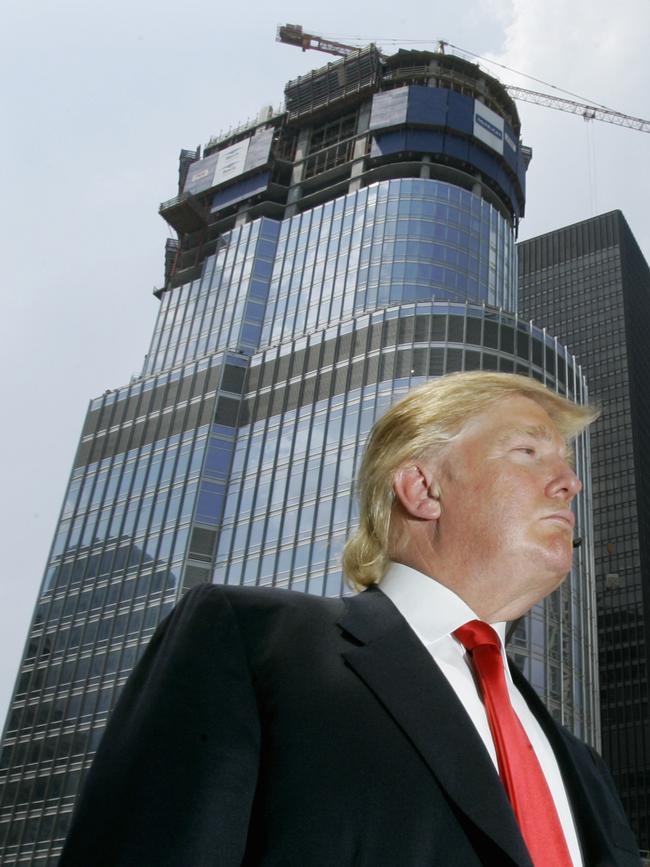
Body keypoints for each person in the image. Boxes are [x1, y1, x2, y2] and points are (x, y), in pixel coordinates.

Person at [59, 371, 639, 866]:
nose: (570, 482)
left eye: (565, 462)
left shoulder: (583, 766)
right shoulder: (249, 642)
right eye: (529, 452)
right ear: (422, 487)